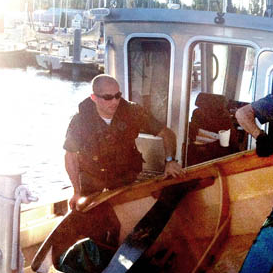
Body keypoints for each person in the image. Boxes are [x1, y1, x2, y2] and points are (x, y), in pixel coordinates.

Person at [64, 74, 183, 210]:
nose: (115, 101)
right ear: (94, 98)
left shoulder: (133, 112)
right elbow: (70, 156)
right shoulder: (80, 121)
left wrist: (170, 161)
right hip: (92, 184)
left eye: (117, 95)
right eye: (108, 97)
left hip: (124, 181)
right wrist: (76, 192)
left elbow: (167, 134)